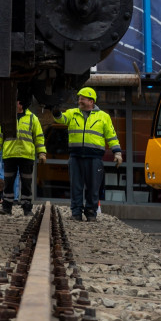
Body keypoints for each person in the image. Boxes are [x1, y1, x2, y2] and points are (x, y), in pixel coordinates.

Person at [55, 87, 123, 222]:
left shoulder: (103, 116)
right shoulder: (72, 113)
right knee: (76, 186)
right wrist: (56, 113)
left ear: (91, 101)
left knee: (93, 187)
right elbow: (61, 119)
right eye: (79, 98)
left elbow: (111, 135)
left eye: (82, 99)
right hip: (76, 157)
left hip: (94, 158)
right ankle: (76, 213)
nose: (79, 101)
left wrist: (117, 152)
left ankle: (91, 212)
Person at [0, 99, 46, 216]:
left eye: (15, 101)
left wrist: (42, 153)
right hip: (10, 155)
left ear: (21, 104)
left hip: (26, 156)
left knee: (26, 184)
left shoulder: (32, 118)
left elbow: (39, 137)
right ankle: (6, 207)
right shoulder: (6, 118)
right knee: (8, 183)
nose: (12, 104)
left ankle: (27, 208)